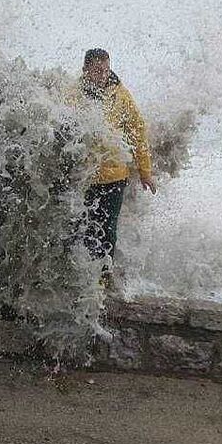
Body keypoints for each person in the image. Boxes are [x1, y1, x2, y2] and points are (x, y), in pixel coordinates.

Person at [67, 48, 156, 288]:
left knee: (107, 230)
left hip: (115, 176)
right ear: (86, 70)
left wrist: (145, 171)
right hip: (85, 177)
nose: (103, 75)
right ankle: (83, 279)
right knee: (84, 229)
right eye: (97, 70)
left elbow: (137, 131)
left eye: (106, 70)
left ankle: (104, 278)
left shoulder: (120, 94)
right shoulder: (74, 94)